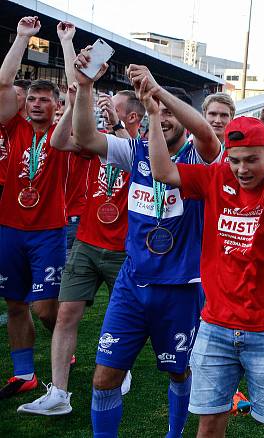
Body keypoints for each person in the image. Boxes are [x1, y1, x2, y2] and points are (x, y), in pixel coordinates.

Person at [71, 46, 221, 436]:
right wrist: (85, 86)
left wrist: (159, 97)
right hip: (132, 285)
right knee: (104, 377)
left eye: (171, 112)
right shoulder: (132, 150)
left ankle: (174, 433)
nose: (165, 117)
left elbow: (207, 133)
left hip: (181, 289)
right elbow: (86, 137)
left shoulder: (202, 159)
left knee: (179, 371)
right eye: (157, 109)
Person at [149, 83, 264, 436]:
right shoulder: (216, 176)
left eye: (252, 159)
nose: (242, 169)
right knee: (209, 420)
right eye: (235, 159)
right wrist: (151, 115)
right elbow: (163, 172)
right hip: (216, 323)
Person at [17, 28, 141, 414]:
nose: (105, 108)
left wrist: (116, 125)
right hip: (87, 240)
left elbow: (137, 154)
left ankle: (121, 368)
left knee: (125, 315)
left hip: (125, 246)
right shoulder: (96, 143)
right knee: (67, 312)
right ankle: (58, 394)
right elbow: (57, 142)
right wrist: (77, 98)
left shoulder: (145, 149)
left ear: (131, 116)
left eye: (113, 106)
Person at [0, 17, 71, 400]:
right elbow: (3, 83)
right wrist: (23, 37)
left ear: (57, 106)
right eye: (32, 99)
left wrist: (64, 42)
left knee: (45, 309)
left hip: (48, 230)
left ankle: (64, 342)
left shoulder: (64, 134)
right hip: (9, 227)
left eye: (45, 99)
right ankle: (24, 373)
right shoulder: (13, 127)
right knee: (15, 304)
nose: (37, 104)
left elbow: (78, 88)